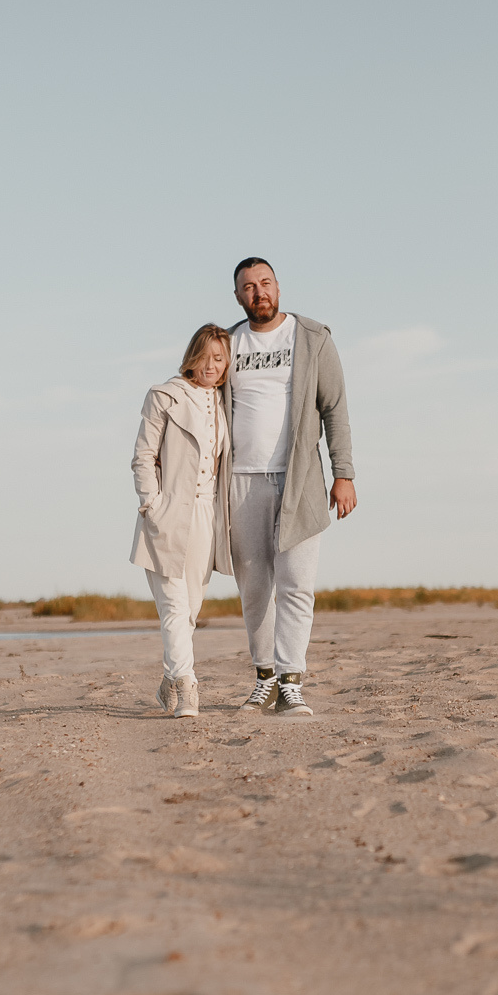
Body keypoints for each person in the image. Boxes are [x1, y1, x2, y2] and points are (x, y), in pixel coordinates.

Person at [225, 257, 356, 716]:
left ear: (278, 287)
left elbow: (334, 408)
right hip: (239, 482)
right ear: (238, 296)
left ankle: (291, 682)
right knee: (255, 587)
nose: (258, 292)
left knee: (298, 583)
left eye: (265, 283)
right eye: (248, 287)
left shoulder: (313, 338)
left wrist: (344, 474)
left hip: (299, 479)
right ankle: (264, 678)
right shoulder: (226, 344)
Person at [130, 324, 233, 718]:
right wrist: (151, 505)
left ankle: (167, 682)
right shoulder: (163, 396)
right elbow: (142, 456)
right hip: (168, 512)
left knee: (189, 611)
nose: (212, 366)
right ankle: (188, 689)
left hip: (207, 516)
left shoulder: (224, 402)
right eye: (206, 357)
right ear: (193, 356)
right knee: (173, 607)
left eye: (220, 359)